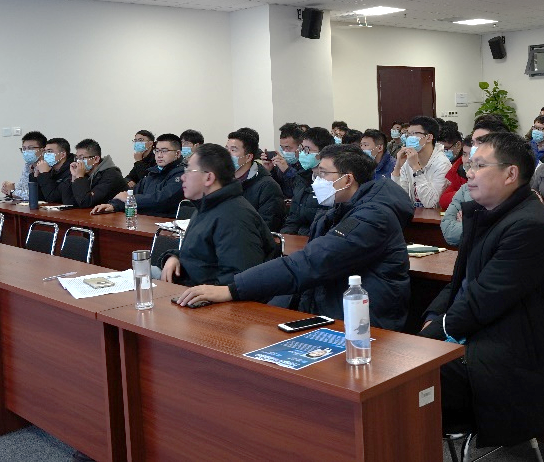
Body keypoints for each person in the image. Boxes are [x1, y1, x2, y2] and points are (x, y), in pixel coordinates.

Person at [420, 132, 544, 446]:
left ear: (510, 174)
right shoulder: (486, 214)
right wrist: (433, 318)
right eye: (469, 165)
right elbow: (459, 283)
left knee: (403, 382)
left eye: (479, 166)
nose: (469, 173)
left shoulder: (529, 225)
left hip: (502, 353)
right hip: (473, 334)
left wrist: (431, 336)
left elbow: (482, 299)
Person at [175, 145, 415, 332]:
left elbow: (312, 262)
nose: (316, 180)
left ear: (348, 180)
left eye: (323, 174)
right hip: (330, 307)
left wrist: (232, 289)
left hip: (363, 322)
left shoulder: (374, 217)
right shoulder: (338, 210)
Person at [159, 143, 275, 286]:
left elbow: (239, 281)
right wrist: (174, 257)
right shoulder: (205, 206)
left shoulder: (234, 218)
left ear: (209, 178)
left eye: (189, 171)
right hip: (186, 285)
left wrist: (200, 292)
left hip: (200, 294)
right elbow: (198, 254)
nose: (183, 177)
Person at [92, 133, 185, 218]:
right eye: (157, 151)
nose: (159, 155)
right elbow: (133, 192)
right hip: (144, 220)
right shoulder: (153, 173)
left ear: (177, 153)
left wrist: (129, 199)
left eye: (164, 151)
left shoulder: (182, 174)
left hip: (165, 222)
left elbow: (162, 199)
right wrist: (113, 205)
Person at [227, 129, 286, 232]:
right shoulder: (222, 182)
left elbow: (267, 226)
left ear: (248, 157)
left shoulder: (268, 186)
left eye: (233, 150)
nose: (227, 154)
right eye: (226, 149)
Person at [280, 127, 334, 235]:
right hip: (298, 237)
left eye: (307, 149)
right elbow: (293, 219)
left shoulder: (333, 183)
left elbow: (326, 225)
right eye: (301, 148)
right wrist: (285, 236)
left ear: (322, 153)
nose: (302, 153)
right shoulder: (302, 178)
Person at [391, 115, 451, 208]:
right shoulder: (408, 161)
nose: (410, 138)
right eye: (408, 134)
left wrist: (416, 168)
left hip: (433, 216)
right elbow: (398, 197)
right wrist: (398, 167)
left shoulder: (442, 164)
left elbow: (432, 204)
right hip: (413, 214)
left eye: (414, 133)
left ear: (429, 137)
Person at [63, 139, 127, 207]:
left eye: (82, 158)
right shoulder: (85, 173)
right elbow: (69, 202)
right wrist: (74, 177)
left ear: (96, 159)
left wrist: (79, 177)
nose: (78, 162)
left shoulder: (111, 175)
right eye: (77, 158)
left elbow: (86, 202)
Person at [440, 136, 473, 235]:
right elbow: (443, 200)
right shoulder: (459, 171)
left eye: (472, 154)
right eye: (464, 154)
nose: (467, 160)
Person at [2, 131, 46, 199]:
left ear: (42, 150)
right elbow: (21, 189)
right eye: (24, 148)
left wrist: (12, 192)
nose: (26, 151)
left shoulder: (46, 167)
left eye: (30, 148)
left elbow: (35, 194)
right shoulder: (28, 166)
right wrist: (8, 189)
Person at [267, 122, 304, 198]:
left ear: (300, 147)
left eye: (288, 147)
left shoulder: (307, 165)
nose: (285, 151)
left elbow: (301, 187)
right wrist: (270, 170)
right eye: (282, 148)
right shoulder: (282, 164)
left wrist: (287, 170)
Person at [35, 137, 73, 203]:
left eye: (49, 151)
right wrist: (36, 176)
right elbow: (38, 198)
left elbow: (53, 198)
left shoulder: (72, 171)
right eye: (45, 152)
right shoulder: (50, 169)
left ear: (63, 155)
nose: (46, 155)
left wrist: (44, 174)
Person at [438, 127, 465, 209]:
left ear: (458, 145)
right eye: (439, 149)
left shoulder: (462, 168)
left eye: (446, 149)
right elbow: (443, 200)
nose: (442, 153)